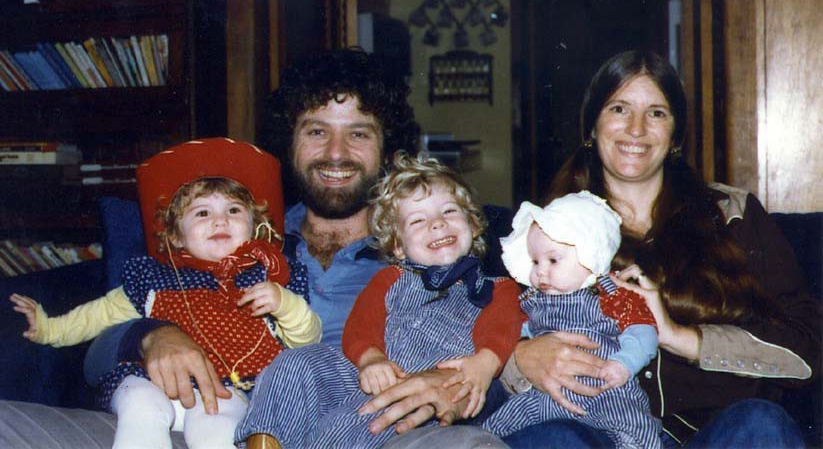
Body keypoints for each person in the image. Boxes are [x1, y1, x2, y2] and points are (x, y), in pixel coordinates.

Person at [83, 49, 495, 447]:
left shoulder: (431, 247)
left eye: (358, 134)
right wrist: (152, 336)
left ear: (387, 150)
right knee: (16, 424)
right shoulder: (232, 236)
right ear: (290, 143)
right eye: (317, 131)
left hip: (376, 430)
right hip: (202, 421)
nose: (336, 153)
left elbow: (503, 342)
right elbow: (91, 359)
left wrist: (465, 382)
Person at [497, 49, 818, 448]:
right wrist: (520, 359)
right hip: (598, 432)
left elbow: (809, 350)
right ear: (592, 126)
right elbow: (488, 327)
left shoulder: (734, 215)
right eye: (618, 108)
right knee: (550, 439)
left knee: (761, 422)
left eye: (656, 113)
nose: (636, 129)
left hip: (717, 432)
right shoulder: (544, 228)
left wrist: (676, 335)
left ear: (675, 134)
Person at [10, 137, 321, 449]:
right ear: (175, 235)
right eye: (202, 213)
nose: (220, 220)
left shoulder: (271, 278)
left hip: (225, 391)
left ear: (255, 228)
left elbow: (307, 344)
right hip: (152, 382)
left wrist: (285, 305)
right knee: (140, 407)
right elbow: (99, 315)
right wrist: (50, 328)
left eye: (234, 210)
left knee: (216, 429)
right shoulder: (153, 278)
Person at [235, 152, 522, 448]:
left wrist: (484, 366)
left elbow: (502, 329)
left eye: (449, 212)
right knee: (297, 362)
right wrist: (371, 359)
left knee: (368, 417)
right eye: (418, 220)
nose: (437, 225)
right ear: (398, 246)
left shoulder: (497, 288)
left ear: (474, 225)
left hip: (428, 387)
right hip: (371, 369)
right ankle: (265, 439)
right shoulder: (391, 278)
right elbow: (362, 323)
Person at [482, 191, 661, 448]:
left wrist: (624, 364)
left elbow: (643, 332)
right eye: (535, 261)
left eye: (553, 259)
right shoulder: (532, 301)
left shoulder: (612, 294)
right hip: (546, 394)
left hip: (607, 390)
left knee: (635, 427)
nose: (540, 270)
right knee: (497, 427)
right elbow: (510, 335)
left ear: (591, 258)